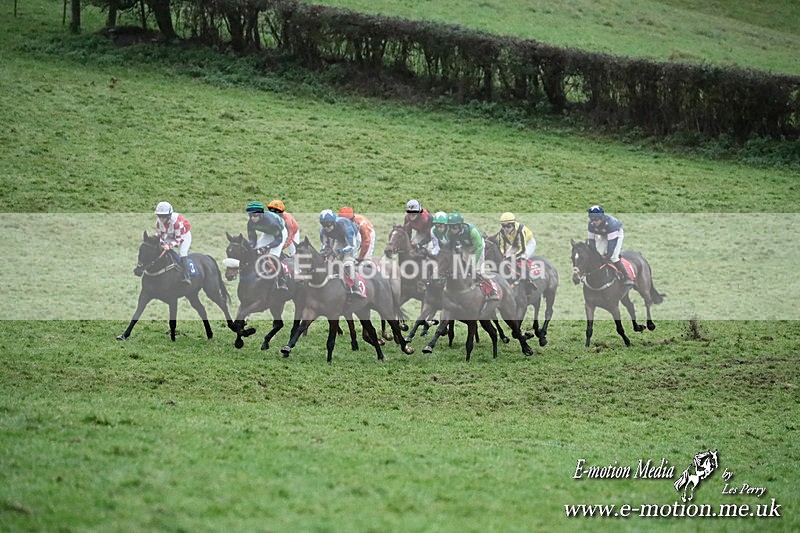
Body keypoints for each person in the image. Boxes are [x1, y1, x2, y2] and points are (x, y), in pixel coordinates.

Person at [446, 212, 499, 300]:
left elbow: (479, 247)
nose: (452, 230)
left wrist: (473, 262)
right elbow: (450, 247)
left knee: (478, 271)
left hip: (478, 247)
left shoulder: (472, 231)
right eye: (450, 227)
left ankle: (493, 290)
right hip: (465, 247)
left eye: (454, 227)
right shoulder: (449, 233)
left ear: (460, 226)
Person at [319, 209, 363, 298]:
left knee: (347, 262)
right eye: (323, 225)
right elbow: (324, 246)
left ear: (334, 222)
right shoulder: (323, 231)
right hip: (340, 239)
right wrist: (326, 253)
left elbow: (352, 246)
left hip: (353, 240)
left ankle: (356, 287)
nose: (326, 228)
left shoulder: (345, 226)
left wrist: (340, 251)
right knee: (332, 261)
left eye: (328, 225)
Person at [587, 205, 634, 287]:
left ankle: (627, 277)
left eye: (596, 219)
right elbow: (591, 241)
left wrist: (608, 256)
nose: (594, 221)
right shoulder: (591, 224)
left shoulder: (610, 224)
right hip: (604, 235)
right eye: (592, 219)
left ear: (601, 217)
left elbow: (611, 244)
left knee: (613, 257)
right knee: (598, 254)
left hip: (616, 234)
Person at [246, 201, 289, 290]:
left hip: (280, 233)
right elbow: (252, 237)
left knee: (273, 256)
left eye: (255, 216)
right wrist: (252, 246)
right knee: (255, 251)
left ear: (261, 215)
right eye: (250, 216)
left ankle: (282, 281)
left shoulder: (271, 222)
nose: (253, 218)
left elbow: (278, 239)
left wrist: (267, 247)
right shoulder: (250, 223)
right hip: (268, 233)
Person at [154, 201, 192, 284]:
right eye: (159, 216)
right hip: (171, 235)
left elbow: (179, 239)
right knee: (161, 248)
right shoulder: (158, 222)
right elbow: (160, 235)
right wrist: (161, 243)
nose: (161, 218)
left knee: (182, 253)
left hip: (183, 236)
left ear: (169, 215)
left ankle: (187, 276)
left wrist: (169, 245)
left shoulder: (176, 223)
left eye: (163, 216)